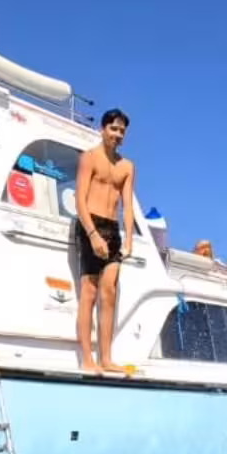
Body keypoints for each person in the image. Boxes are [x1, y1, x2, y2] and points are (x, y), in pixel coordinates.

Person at [73, 108, 137, 375]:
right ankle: (88, 358)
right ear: (102, 129)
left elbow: (128, 206)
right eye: (113, 129)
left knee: (109, 292)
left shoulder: (127, 167)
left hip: (112, 228)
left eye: (122, 130)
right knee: (89, 292)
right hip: (91, 225)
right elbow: (79, 200)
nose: (118, 134)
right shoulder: (89, 158)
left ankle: (107, 358)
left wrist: (130, 238)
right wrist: (92, 234)